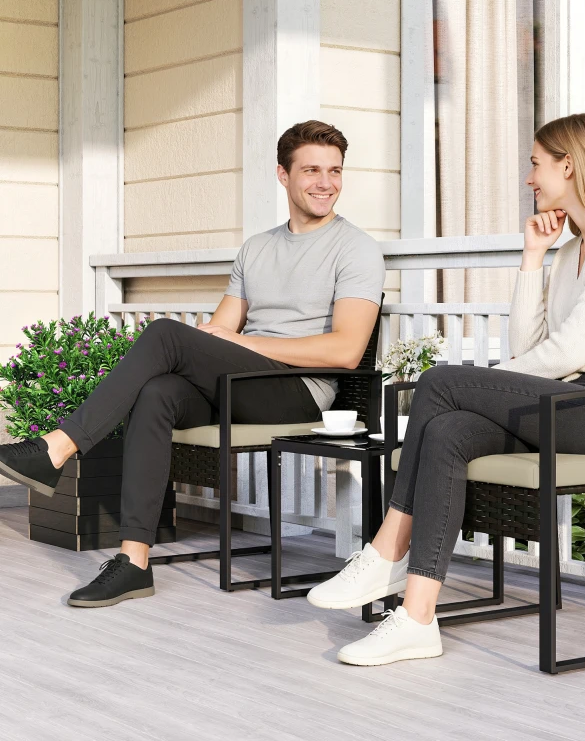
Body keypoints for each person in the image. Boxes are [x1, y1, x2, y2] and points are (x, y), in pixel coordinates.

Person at [306, 113, 585, 666]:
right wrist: (533, 258)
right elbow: (535, 341)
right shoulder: (574, 249)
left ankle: (387, 549)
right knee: (451, 430)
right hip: (572, 401)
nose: (530, 178)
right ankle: (416, 617)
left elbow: (569, 352)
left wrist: (492, 381)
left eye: (536, 163)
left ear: (569, 165)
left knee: (442, 382)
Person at [0, 120, 385, 608]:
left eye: (334, 171)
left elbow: (345, 351)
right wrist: (218, 344)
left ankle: (56, 448)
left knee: (164, 333)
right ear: (283, 175)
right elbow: (218, 332)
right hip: (245, 381)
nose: (325, 182)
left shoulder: (356, 248)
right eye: (311, 170)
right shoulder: (257, 248)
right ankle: (134, 562)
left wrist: (241, 344)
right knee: (159, 391)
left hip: (299, 390)